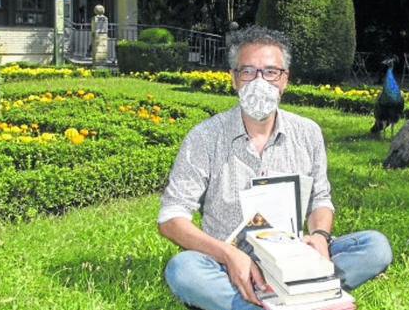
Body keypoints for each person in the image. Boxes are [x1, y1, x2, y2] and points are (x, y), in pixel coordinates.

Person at [157, 25, 393, 310]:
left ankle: (291, 295)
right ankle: (298, 301)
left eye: (270, 72)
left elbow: (320, 200)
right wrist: (229, 256)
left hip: (292, 257)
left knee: (375, 247)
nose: (260, 81)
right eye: (248, 71)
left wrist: (319, 238)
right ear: (234, 78)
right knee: (183, 269)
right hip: (226, 260)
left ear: (284, 80)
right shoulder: (204, 137)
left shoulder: (308, 133)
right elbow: (171, 218)